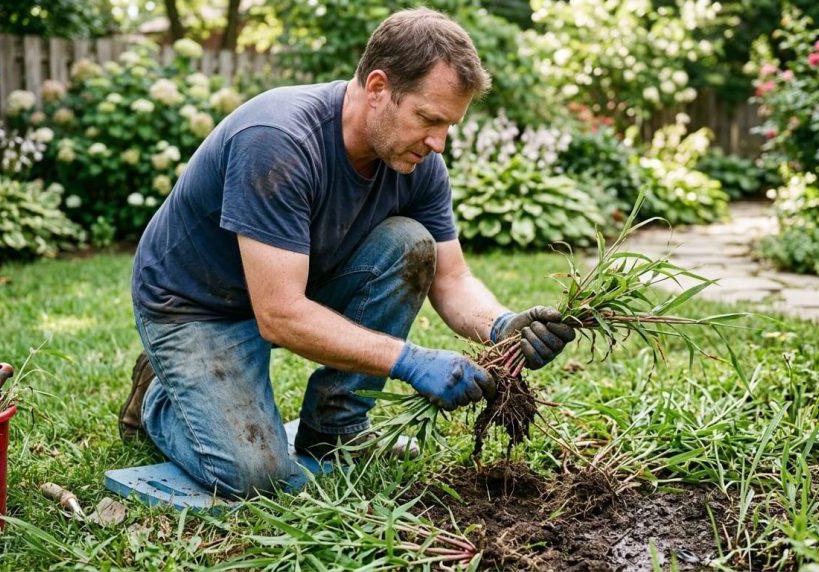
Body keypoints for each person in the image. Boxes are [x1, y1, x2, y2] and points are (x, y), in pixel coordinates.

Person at [120, 7, 575, 499]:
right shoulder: (278, 141)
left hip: (293, 286)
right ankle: (158, 399)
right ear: (378, 88)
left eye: (449, 125)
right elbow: (280, 315)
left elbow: (451, 278)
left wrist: (501, 327)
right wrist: (410, 360)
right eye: (428, 118)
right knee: (258, 477)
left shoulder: (416, 162)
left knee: (411, 244)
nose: (439, 143)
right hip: (195, 309)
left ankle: (334, 427)